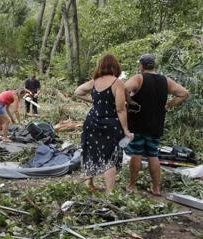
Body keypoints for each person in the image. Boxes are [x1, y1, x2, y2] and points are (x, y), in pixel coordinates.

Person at [125, 54, 189, 196]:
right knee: (153, 154)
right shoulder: (166, 81)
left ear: (141, 65)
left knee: (136, 153)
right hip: (156, 124)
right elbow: (184, 93)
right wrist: (168, 106)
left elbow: (124, 89)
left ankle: (131, 186)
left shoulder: (138, 78)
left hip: (138, 123)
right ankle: (156, 188)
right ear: (154, 65)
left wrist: (130, 101)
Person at [74, 54, 133, 192]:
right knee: (110, 156)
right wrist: (126, 130)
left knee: (91, 151)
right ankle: (109, 192)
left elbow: (77, 92)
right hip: (110, 124)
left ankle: (89, 184)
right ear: (115, 66)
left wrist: (95, 102)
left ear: (100, 66)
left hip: (92, 121)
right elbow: (120, 108)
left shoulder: (94, 81)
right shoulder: (116, 82)